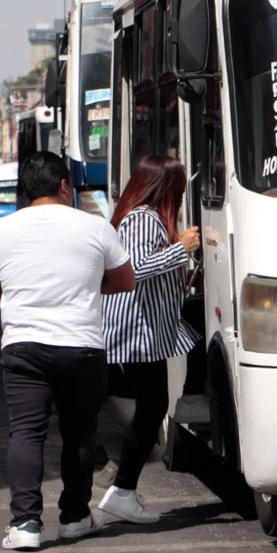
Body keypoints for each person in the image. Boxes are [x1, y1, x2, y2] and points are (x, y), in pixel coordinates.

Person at [0, 152, 136, 551]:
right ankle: (75, 518)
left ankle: (26, 524)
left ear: (25, 189)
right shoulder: (95, 226)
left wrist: (21, 292)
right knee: (80, 433)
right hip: (81, 346)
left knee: (26, 433)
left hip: (24, 347)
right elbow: (125, 280)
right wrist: (81, 288)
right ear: (65, 185)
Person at [98, 155, 201, 525]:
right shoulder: (143, 219)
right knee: (151, 406)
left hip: (145, 329)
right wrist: (181, 249)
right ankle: (122, 490)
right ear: (165, 187)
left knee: (151, 405)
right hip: (138, 331)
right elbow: (135, 269)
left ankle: (122, 489)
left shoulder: (140, 216)